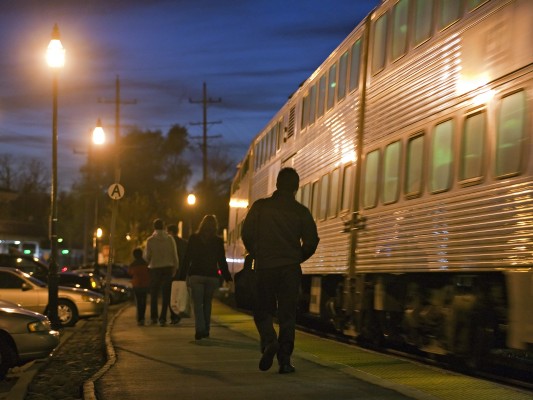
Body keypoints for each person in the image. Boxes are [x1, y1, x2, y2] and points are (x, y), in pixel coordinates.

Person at [242, 167, 319, 374]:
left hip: (266, 266)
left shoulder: (260, 207)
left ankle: (269, 341)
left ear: (276, 185)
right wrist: (297, 258)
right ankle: (285, 361)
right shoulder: (301, 211)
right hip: (290, 269)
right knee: (287, 315)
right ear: (296, 188)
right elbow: (312, 241)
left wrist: (256, 252)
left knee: (262, 310)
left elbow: (246, 232)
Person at [183, 214, 232, 340]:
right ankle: (207, 329)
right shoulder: (218, 241)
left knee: (198, 304)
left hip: (196, 275)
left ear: (202, 224)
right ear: (215, 226)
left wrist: (182, 275)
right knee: (207, 304)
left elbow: (187, 258)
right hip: (211, 276)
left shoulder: (194, 238)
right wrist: (228, 278)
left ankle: (200, 330)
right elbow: (221, 261)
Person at [144, 218, 179, 326]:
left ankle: (154, 317)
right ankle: (163, 318)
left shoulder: (150, 240)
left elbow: (147, 256)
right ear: (164, 227)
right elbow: (175, 255)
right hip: (168, 268)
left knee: (154, 294)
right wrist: (175, 268)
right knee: (166, 294)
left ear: (154, 227)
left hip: (155, 268)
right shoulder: (170, 239)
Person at [166, 223, 188, 324]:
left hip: (170, 271)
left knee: (170, 294)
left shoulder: (168, 242)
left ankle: (173, 315)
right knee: (179, 293)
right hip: (182, 272)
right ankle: (178, 313)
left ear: (169, 232)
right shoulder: (184, 243)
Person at [127, 248, 150, 326]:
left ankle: (139, 318)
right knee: (144, 301)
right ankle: (142, 317)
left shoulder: (133, 264)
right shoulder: (146, 264)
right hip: (145, 284)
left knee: (138, 301)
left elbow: (130, 273)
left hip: (136, 285)